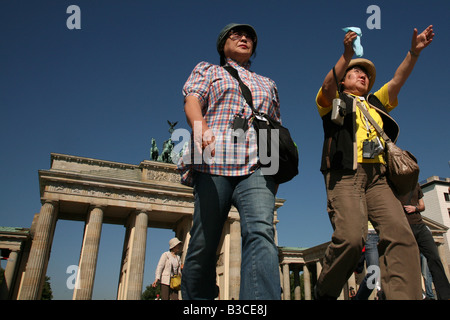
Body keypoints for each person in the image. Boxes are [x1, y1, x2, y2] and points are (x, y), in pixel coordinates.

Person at [314, 25, 434, 300]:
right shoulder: (333, 101)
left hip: (379, 178)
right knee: (352, 239)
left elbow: (397, 80)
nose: (363, 75)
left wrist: (413, 53)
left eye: (366, 74)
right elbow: (327, 86)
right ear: (344, 79)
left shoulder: (375, 103)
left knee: (402, 236)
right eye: (356, 71)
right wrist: (346, 55)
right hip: (345, 175)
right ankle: (324, 292)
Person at [178, 23, 281, 300]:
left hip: (257, 166)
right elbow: (192, 99)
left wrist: (272, 168)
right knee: (204, 240)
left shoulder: (268, 83)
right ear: (223, 44)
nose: (245, 38)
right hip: (214, 160)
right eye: (237, 35)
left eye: (250, 37)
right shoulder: (208, 70)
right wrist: (199, 126)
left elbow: (273, 125)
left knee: (261, 233)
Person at [397, 183, 450, 300]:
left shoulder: (416, 185)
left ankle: (445, 295)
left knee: (435, 258)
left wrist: (415, 208)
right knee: (409, 264)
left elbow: (422, 206)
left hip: (420, 225)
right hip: (404, 227)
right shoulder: (395, 182)